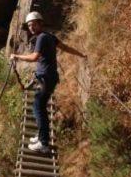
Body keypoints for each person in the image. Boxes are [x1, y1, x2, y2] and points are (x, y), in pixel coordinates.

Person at [11, 11, 86, 153]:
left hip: (46, 78)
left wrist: (16, 56)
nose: (31, 27)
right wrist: (81, 54)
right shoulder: (50, 36)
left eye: (33, 24)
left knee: (38, 108)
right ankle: (41, 136)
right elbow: (65, 47)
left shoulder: (41, 38)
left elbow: (34, 57)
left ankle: (44, 143)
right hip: (49, 77)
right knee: (39, 106)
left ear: (40, 23)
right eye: (29, 25)